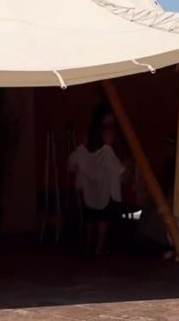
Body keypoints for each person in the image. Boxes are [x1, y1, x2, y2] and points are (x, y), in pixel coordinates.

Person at [68, 105, 125, 255]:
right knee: (101, 216)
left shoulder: (90, 145)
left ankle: (90, 244)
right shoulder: (104, 146)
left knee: (92, 215)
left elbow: (74, 162)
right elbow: (114, 164)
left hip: (91, 185)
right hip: (101, 184)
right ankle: (98, 246)